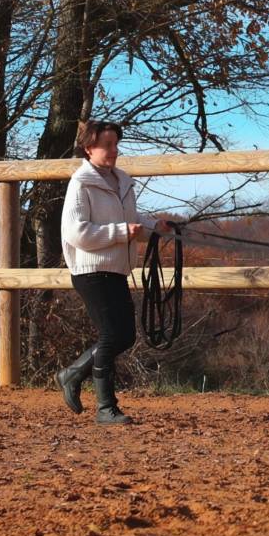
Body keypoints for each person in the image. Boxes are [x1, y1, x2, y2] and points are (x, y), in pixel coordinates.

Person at [56, 120, 170, 424]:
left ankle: (73, 374)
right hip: (90, 270)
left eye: (115, 144)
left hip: (116, 269)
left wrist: (153, 227)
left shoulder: (121, 181)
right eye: (107, 145)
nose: (113, 150)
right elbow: (77, 233)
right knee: (111, 334)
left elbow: (129, 220)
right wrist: (122, 232)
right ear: (89, 147)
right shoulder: (81, 184)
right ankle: (105, 407)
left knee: (125, 336)